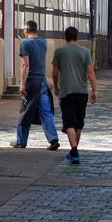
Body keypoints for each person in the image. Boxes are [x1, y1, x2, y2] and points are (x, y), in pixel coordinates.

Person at [52, 27, 97, 165]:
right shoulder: (84, 51)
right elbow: (90, 72)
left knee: (69, 122)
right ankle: (74, 151)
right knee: (78, 123)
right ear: (77, 37)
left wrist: (56, 86)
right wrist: (94, 90)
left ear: (65, 37)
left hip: (67, 92)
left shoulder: (59, 51)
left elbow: (54, 72)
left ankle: (74, 151)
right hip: (82, 92)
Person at [12, 20, 60, 150]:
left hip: (32, 81)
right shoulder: (43, 42)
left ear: (26, 30)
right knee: (46, 112)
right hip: (43, 81)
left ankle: (21, 141)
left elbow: (25, 64)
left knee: (25, 112)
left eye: (23, 30)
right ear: (36, 30)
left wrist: (22, 84)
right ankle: (53, 139)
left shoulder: (25, 42)